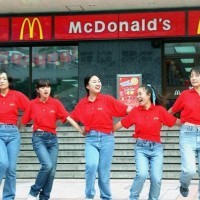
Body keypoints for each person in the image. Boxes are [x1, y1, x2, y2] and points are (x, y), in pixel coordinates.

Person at [113, 84, 181, 200]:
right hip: (141, 148)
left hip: (156, 149)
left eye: (140, 94)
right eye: (136, 95)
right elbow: (121, 124)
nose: (137, 97)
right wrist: (106, 130)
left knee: (156, 178)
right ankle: (133, 197)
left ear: (149, 95)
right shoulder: (135, 111)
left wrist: (192, 123)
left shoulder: (159, 111)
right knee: (142, 174)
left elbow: (175, 121)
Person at [70, 75, 132, 200]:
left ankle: (106, 197)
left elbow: (127, 110)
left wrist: (142, 110)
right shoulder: (82, 103)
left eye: (99, 81)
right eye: (94, 81)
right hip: (91, 139)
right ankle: (89, 196)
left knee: (104, 172)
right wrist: (80, 130)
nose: (98, 83)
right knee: (91, 166)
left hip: (107, 139)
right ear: (87, 86)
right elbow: (70, 117)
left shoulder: (107, 99)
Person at [21, 79, 84, 200]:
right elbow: (23, 121)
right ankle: (33, 192)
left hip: (53, 140)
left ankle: (44, 197)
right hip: (39, 138)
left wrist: (80, 130)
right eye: (43, 87)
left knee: (52, 172)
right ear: (38, 90)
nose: (46, 89)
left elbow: (67, 117)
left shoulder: (55, 103)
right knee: (47, 165)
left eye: (48, 87)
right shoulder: (32, 104)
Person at [168, 66, 200, 198]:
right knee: (189, 170)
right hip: (187, 134)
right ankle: (184, 184)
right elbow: (170, 112)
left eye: (196, 75)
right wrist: (177, 122)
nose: (193, 78)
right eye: (191, 75)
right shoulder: (185, 95)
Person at [0, 70, 30, 200]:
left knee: (11, 169)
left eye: (4, 78)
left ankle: (9, 197)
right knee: (3, 162)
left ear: (9, 81)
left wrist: (22, 122)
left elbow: (30, 108)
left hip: (13, 134)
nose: (1, 81)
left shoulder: (16, 95)